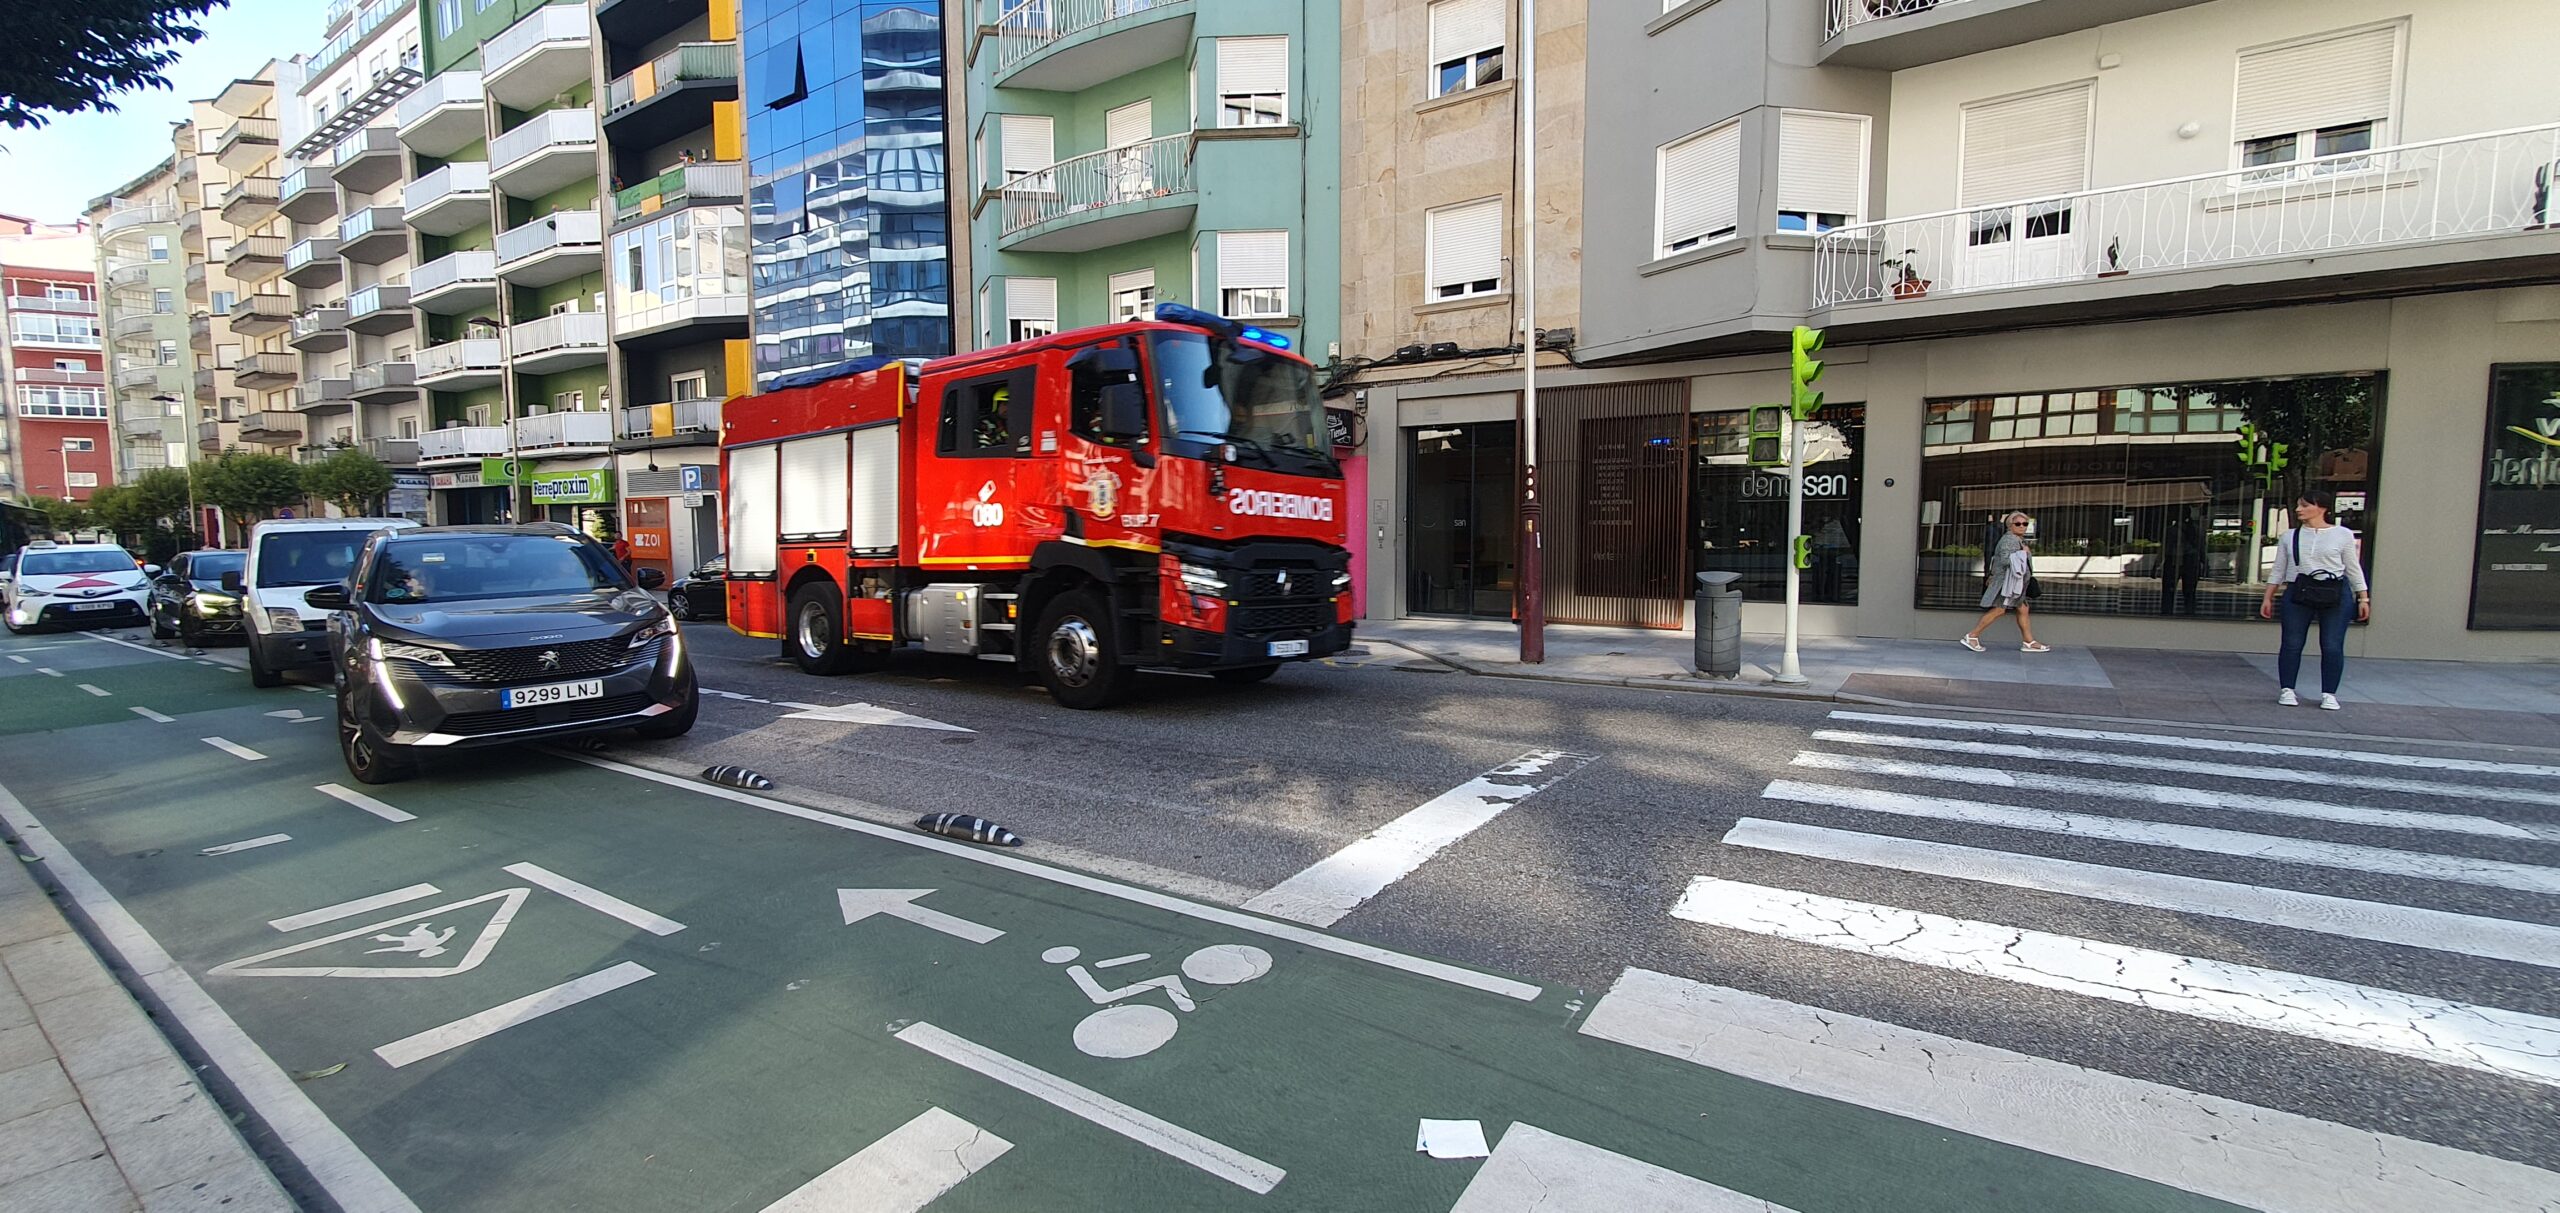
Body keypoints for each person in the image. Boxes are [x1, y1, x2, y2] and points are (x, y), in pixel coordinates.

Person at [2259, 488, 2370, 710]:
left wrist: (2363, 597)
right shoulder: (2289, 536)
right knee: (2291, 643)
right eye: (2299, 505)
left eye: (2305, 505)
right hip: (2298, 592)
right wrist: (2268, 597)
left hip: (2335, 592)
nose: (2299, 509)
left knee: (2332, 645)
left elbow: (2352, 568)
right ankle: (2287, 689)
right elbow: (2279, 569)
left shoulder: (2342, 534)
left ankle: (2329, 693)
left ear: (2321, 508)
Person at [1962, 511, 2048, 653]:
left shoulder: (2017, 539)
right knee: (2000, 609)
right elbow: (2005, 560)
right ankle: (1972, 635)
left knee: (2023, 609)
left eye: (2025, 524)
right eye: (2018, 524)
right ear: (2010, 526)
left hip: (2014, 583)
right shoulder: (2010, 540)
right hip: (2007, 583)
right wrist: (2024, 553)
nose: (2022, 526)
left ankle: (2029, 641)